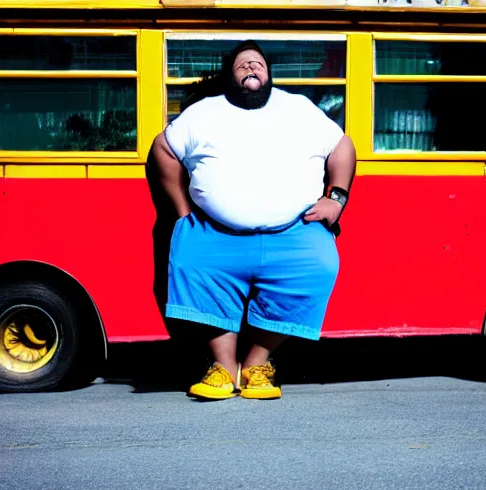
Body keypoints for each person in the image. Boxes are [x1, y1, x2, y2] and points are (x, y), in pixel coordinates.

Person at [150, 40, 356, 400]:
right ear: (230, 76)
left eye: (257, 63)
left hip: (292, 231)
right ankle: (223, 368)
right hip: (216, 232)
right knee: (190, 261)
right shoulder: (203, 112)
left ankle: (257, 363)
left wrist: (336, 198)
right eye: (242, 65)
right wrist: (182, 211)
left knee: (319, 265)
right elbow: (162, 150)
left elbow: (343, 147)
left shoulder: (298, 108)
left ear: (269, 73)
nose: (251, 68)